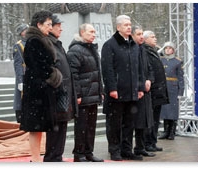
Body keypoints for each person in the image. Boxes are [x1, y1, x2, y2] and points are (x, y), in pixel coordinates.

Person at [20, 10, 63, 162]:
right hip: (36, 90)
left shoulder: (41, 39)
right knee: (35, 127)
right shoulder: (34, 41)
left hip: (40, 89)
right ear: (39, 24)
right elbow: (38, 66)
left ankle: (36, 157)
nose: (50, 28)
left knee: (38, 127)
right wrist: (53, 76)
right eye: (48, 24)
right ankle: (35, 158)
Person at [101, 15, 144, 161]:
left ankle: (127, 150)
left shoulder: (133, 45)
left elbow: (139, 69)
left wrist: (140, 88)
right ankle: (115, 150)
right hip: (117, 92)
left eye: (130, 24)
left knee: (129, 123)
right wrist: (112, 88)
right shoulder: (110, 45)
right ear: (118, 27)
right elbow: (107, 69)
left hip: (132, 92)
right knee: (115, 124)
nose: (129, 27)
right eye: (125, 25)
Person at [66, 23, 104, 162]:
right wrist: (78, 94)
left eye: (94, 32)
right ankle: (79, 153)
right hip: (83, 95)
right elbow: (73, 75)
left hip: (93, 94)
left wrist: (101, 91)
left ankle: (89, 152)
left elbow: (97, 74)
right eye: (90, 32)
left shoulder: (92, 49)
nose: (93, 34)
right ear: (82, 33)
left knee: (91, 126)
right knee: (81, 126)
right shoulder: (75, 50)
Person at [43, 15, 78, 162]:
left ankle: (57, 156)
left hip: (64, 92)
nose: (61, 28)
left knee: (62, 127)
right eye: (58, 26)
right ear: (51, 27)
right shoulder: (48, 44)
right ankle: (52, 158)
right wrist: (57, 84)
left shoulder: (58, 44)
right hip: (56, 93)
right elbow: (48, 69)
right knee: (55, 129)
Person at [142, 30, 169, 152]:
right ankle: (147, 142)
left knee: (156, 118)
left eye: (155, 36)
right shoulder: (144, 51)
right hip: (152, 90)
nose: (155, 38)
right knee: (150, 118)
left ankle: (153, 141)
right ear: (145, 39)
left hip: (158, 90)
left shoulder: (154, 51)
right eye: (152, 37)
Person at [130, 26, 155, 157]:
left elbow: (149, 68)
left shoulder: (143, 50)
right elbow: (134, 71)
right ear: (132, 35)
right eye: (138, 34)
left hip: (146, 91)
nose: (141, 36)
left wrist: (149, 80)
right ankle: (133, 148)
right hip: (136, 91)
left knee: (144, 121)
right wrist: (141, 85)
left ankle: (141, 146)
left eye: (142, 34)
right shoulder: (131, 49)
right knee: (136, 122)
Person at [158, 41, 184, 140]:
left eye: (170, 48)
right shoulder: (162, 60)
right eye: (166, 48)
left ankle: (172, 131)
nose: (168, 50)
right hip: (164, 87)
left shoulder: (177, 61)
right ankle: (165, 131)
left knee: (172, 110)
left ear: (173, 50)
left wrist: (180, 91)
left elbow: (180, 77)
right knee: (164, 110)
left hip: (173, 88)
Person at [13, 23, 29, 123]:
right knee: (21, 101)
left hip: (31, 76)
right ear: (22, 33)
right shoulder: (19, 45)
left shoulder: (33, 43)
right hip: (23, 76)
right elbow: (18, 64)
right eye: (26, 30)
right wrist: (20, 81)